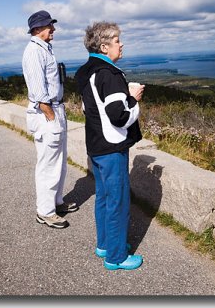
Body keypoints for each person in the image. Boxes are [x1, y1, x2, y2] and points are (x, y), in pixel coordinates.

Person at [75, 21, 145, 270]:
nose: (121, 44)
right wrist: (133, 99)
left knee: (104, 198)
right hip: (112, 146)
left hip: (94, 145)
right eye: (117, 40)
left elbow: (88, 108)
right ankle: (116, 257)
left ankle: (105, 244)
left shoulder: (86, 71)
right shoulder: (110, 74)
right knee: (118, 200)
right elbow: (120, 116)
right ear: (104, 47)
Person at [22, 10, 78, 229]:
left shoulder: (44, 49)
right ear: (37, 29)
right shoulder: (34, 51)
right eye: (48, 26)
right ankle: (45, 212)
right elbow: (37, 91)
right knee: (48, 165)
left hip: (55, 110)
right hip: (47, 113)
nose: (52, 29)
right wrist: (51, 116)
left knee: (59, 161)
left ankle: (56, 202)